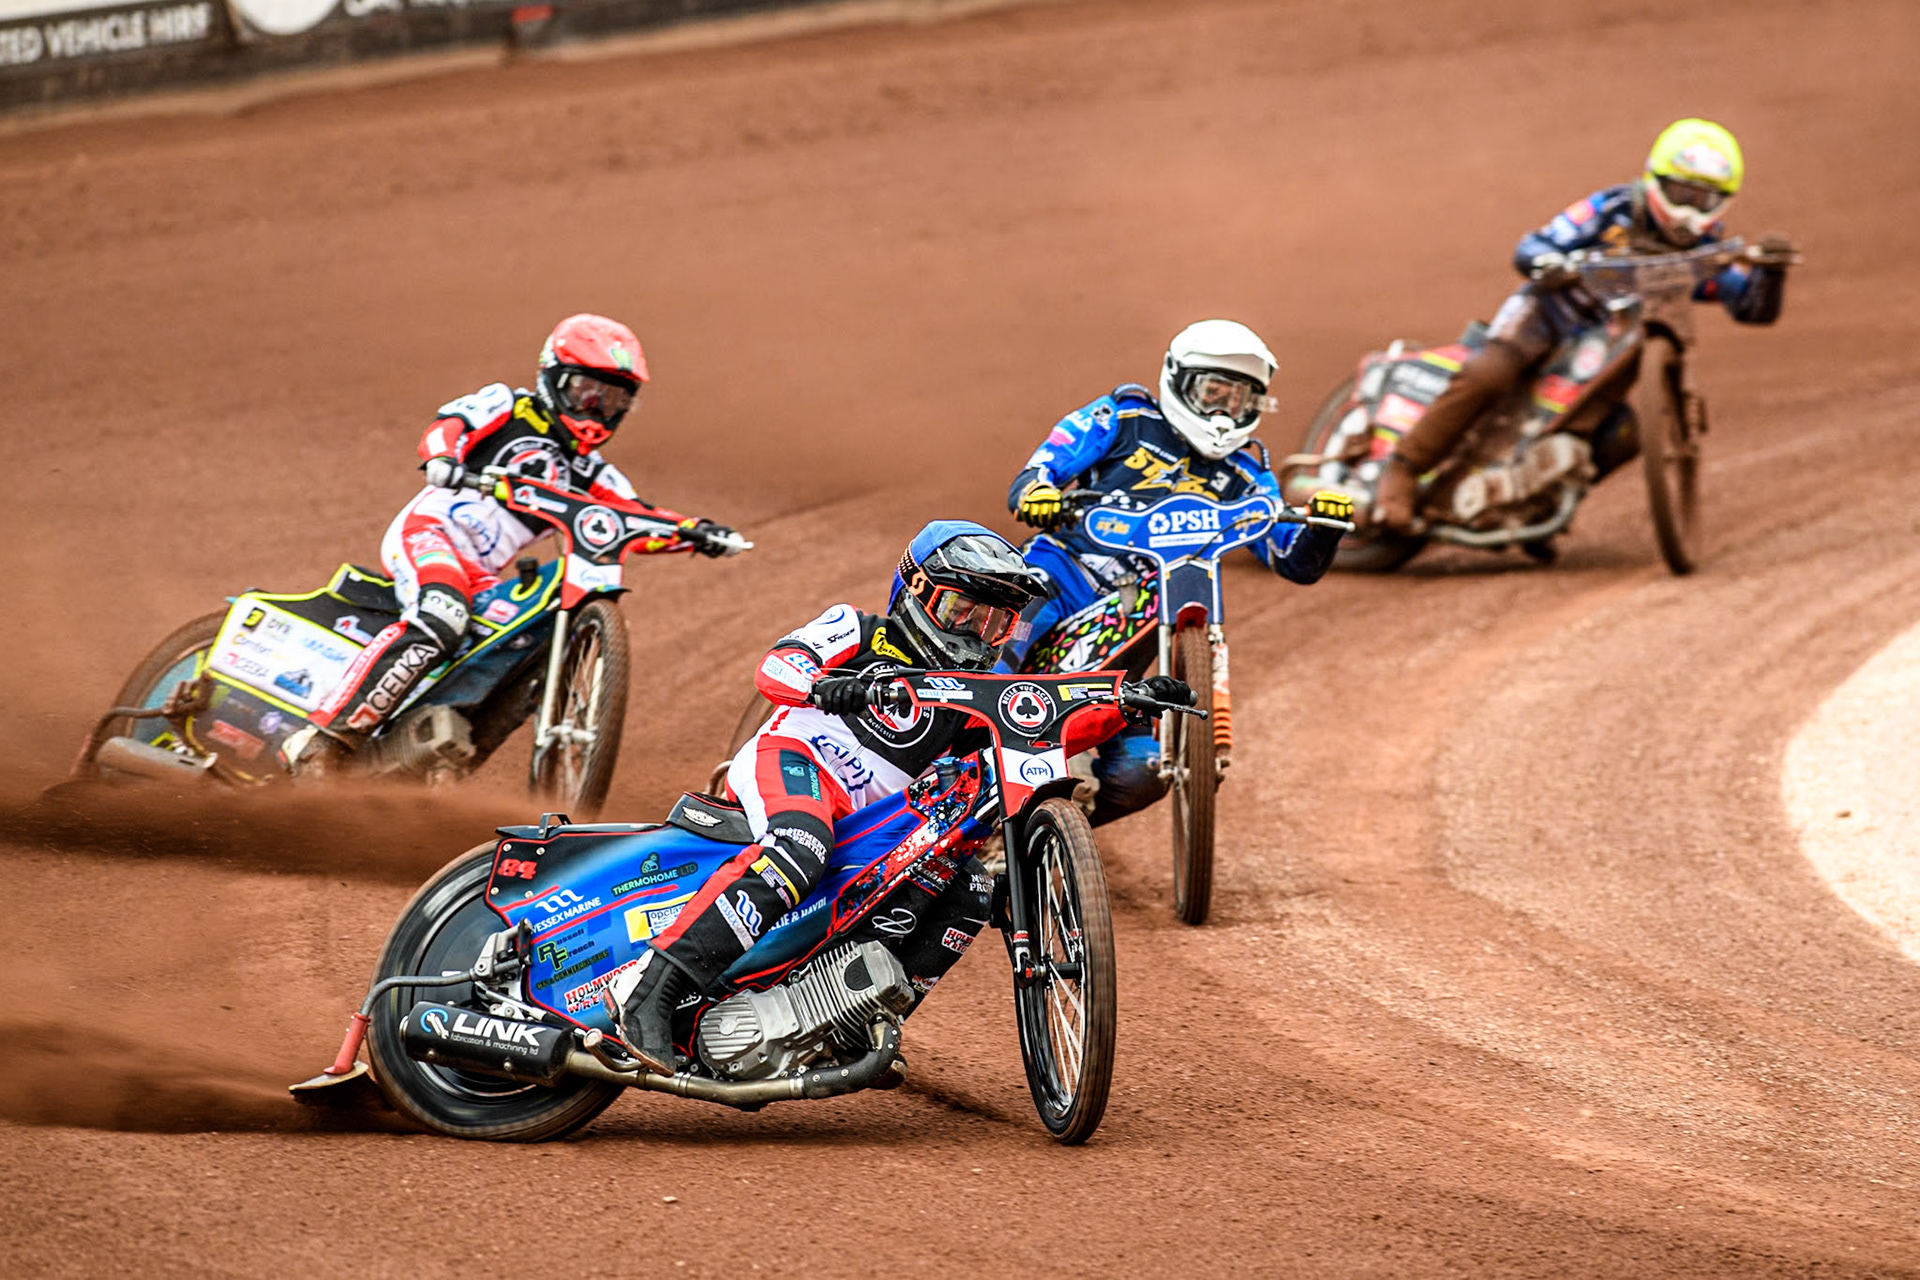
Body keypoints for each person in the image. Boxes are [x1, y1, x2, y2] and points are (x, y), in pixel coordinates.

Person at [608, 520, 1192, 1074]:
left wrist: (1127, 700)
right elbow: (776, 666)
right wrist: (819, 683)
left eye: (994, 624)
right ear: (915, 588)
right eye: (963, 611)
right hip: (795, 762)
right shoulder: (859, 629)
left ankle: (849, 1029)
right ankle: (650, 993)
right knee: (801, 845)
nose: (975, 634)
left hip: (873, 819)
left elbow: (1053, 713)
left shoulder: (979, 692)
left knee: (971, 889)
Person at [286, 314, 740, 769]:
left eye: (612, 400)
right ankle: (325, 737)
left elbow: (634, 519)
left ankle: (431, 754)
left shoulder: (593, 473)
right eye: (588, 391)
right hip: (430, 533)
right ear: (556, 378)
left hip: (481, 575)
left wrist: (696, 531)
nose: (597, 409)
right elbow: (450, 424)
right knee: (441, 614)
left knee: (523, 646)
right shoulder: (507, 406)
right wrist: (443, 457)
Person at [1002, 319, 1351, 825]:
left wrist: (1325, 527)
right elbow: (1043, 465)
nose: (1223, 412)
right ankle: (943, 768)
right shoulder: (1121, 418)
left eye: (1238, 400)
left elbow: (1292, 559)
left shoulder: (1245, 473)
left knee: (1144, 774)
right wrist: (1038, 490)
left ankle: (1043, 841)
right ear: (1179, 380)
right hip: (1064, 572)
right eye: (1213, 393)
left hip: (1146, 612)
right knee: (998, 657)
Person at [1374, 118, 1797, 530]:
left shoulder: (1705, 255)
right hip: (1550, 315)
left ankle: (1537, 505)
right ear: (1654, 180)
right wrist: (1552, 263)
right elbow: (1533, 246)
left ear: (1723, 201)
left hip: (1605, 354)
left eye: (1702, 200)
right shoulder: (1611, 209)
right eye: (1681, 193)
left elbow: (1751, 308)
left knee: (1624, 433)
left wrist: (1772, 274)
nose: (1688, 211)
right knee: (1491, 372)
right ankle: (1404, 469)